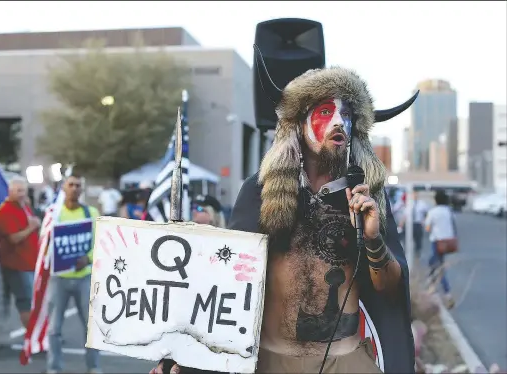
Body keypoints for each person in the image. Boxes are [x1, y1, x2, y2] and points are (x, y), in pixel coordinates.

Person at [153, 66, 417, 373]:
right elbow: (226, 280)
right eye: (325, 111)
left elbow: (389, 289)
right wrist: (180, 357)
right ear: (298, 124)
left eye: (346, 115)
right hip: (269, 360)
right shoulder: (261, 191)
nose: (338, 122)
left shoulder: (366, 196)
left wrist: (372, 239)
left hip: (345, 361)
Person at [46, 172, 101, 374]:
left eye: (78, 185)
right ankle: (54, 367)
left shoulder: (91, 213)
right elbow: (45, 243)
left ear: (82, 189)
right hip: (58, 279)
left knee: (91, 327)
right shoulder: (54, 213)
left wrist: (87, 258)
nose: (75, 188)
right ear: (63, 188)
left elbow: (101, 243)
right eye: (71, 184)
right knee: (54, 328)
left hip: (84, 278)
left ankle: (94, 367)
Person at [0, 176, 40, 328]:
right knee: (25, 302)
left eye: (24, 191)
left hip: (31, 262)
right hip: (17, 264)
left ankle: (36, 334)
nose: (22, 194)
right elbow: (13, 238)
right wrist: (32, 227)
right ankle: (31, 335)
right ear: (10, 191)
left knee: (34, 301)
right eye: (18, 191)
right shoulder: (5, 211)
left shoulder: (25, 206)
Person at [424, 190, 457, 309]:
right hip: (448, 242)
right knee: (434, 263)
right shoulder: (449, 211)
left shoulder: (433, 212)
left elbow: (427, 227)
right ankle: (431, 288)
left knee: (438, 267)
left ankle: (446, 294)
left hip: (437, 242)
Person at [398, 191, 429, 257]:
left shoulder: (422, 204)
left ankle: (417, 254)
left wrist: (424, 221)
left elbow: (426, 214)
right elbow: (405, 215)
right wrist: (401, 224)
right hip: (409, 224)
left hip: (417, 224)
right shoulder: (409, 203)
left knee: (418, 240)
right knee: (406, 239)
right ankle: (407, 254)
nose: (414, 195)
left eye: (415, 194)